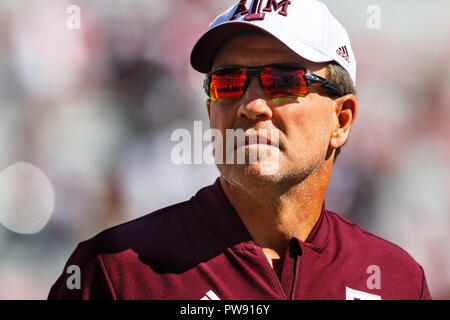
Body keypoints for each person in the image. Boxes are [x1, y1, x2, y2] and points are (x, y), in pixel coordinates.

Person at [48, 0, 431, 300]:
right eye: (228, 83)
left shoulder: (396, 278)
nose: (251, 105)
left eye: (282, 80)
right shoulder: (117, 272)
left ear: (342, 120)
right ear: (210, 111)